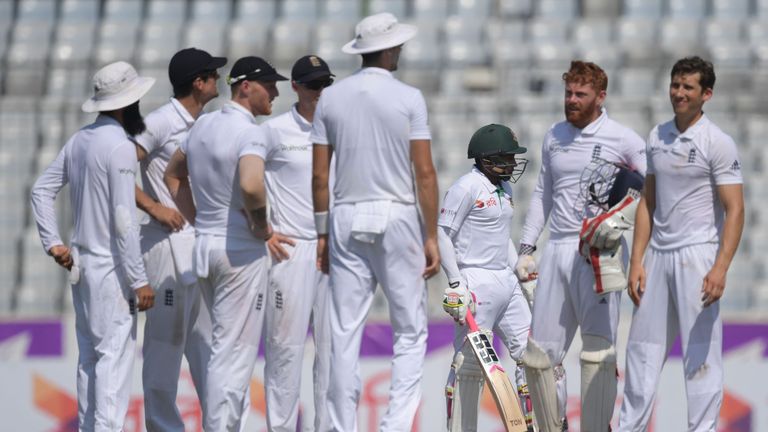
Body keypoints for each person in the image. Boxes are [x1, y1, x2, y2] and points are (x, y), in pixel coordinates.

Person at [311, 12, 440, 431]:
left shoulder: (330, 98)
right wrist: (432, 234)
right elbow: (424, 172)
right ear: (386, 49)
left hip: (346, 215)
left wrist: (323, 233)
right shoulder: (408, 97)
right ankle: (396, 426)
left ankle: (341, 426)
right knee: (410, 329)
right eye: (397, 45)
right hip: (397, 212)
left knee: (344, 331)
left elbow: (318, 176)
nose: (400, 50)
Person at [515, 61, 647, 431]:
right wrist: (526, 247)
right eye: (568, 92)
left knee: (598, 356)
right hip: (556, 249)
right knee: (539, 359)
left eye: (581, 94)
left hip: (598, 254)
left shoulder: (622, 138)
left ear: (600, 97)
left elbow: (651, 186)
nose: (572, 100)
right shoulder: (554, 135)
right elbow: (543, 192)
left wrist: (619, 219)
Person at [618, 57, 744, 432]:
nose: (679, 93)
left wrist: (720, 267)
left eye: (688, 87)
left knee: (700, 356)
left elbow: (735, 210)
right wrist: (637, 261)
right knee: (641, 353)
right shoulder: (657, 136)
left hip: (698, 256)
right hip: (659, 255)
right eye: (675, 85)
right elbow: (648, 202)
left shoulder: (716, 141)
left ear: (707, 94)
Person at [30, 61, 156, 430]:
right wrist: (139, 279)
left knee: (90, 358)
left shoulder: (81, 139)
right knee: (113, 359)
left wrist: (54, 243)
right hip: (110, 269)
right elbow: (122, 217)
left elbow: (41, 189)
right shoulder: (118, 146)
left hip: (81, 265)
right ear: (126, 104)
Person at [164, 56, 287, 431]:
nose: (276, 93)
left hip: (207, 246)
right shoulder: (250, 131)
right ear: (246, 86)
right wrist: (263, 228)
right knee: (233, 353)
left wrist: (199, 218)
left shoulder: (202, 125)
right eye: (269, 84)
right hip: (239, 252)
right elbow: (251, 185)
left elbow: (173, 174)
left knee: (224, 347)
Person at [133, 47, 226, 431]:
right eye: (213, 75)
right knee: (165, 347)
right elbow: (114, 171)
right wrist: (154, 208)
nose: (219, 80)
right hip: (165, 246)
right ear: (198, 82)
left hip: (200, 247)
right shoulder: (157, 122)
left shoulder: (206, 123)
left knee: (208, 348)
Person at [439, 124, 535, 431]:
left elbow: (501, 235)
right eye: (506, 156)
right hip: (476, 281)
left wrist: (518, 269)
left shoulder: (505, 187)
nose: (512, 162)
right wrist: (456, 284)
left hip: (505, 279)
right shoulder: (466, 186)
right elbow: (443, 235)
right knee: (470, 367)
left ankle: (533, 424)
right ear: (486, 158)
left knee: (531, 357)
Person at [261, 55, 335, 432]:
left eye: (326, 84)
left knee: (333, 354)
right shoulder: (274, 131)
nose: (321, 92)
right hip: (290, 250)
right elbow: (241, 181)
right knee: (284, 353)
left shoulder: (340, 129)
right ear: (296, 87)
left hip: (333, 252)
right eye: (314, 85)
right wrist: (263, 230)